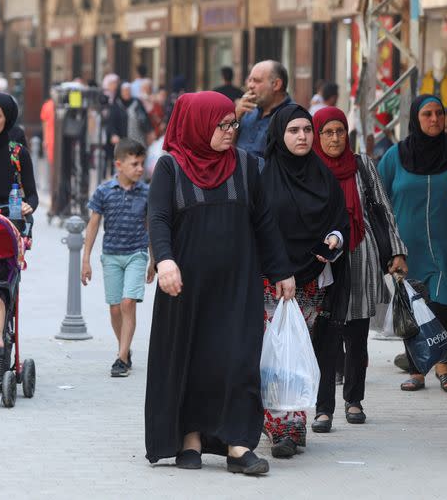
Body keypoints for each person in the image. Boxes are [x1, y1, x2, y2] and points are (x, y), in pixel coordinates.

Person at [145, 91, 295, 474]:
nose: (231, 131)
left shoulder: (246, 165)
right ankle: (190, 438)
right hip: (186, 286)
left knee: (239, 359)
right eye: (222, 125)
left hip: (238, 284)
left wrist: (281, 270)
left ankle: (239, 445)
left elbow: (263, 221)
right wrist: (165, 261)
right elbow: (159, 218)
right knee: (194, 361)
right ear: (197, 125)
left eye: (233, 124)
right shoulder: (170, 167)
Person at [261, 104, 349, 457]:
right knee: (274, 352)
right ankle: (278, 426)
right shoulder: (264, 177)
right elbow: (261, 230)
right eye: (294, 130)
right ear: (280, 136)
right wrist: (280, 271)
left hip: (311, 280)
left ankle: (295, 425)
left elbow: (339, 219)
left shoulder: (322, 176)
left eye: (306, 130)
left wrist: (334, 239)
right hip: (271, 280)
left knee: (299, 351)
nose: (302, 136)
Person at [312, 106, 407, 431]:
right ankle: (323, 408)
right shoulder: (309, 168)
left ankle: (354, 400)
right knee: (325, 336)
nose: (335, 138)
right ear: (318, 135)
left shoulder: (363, 165)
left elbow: (383, 208)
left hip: (362, 258)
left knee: (356, 337)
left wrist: (396, 250)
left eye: (340, 132)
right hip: (324, 263)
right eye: (328, 132)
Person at [378, 95, 447, 391]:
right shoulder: (395, 156)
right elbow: (380, 200)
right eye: (427, 114)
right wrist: (389, 246)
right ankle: (417, 369)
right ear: (415, 118)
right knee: (412, 306)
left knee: (446, 303)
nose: (434, 119)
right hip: (408, 248)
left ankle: (444, 364)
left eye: (439, 113)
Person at [82, 140, 154, 377]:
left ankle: (121, 359)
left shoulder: (147, 192)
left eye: (142, 163)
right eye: (135, 164)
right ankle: (125, 347)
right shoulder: (104, 191)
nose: (140, 169)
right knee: (114, 309)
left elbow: (151, 226)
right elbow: (93, 225)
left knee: (127, 303)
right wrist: (86, 259)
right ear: (119, 165)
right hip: (111, 255)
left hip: (137, 253)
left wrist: (154, 259)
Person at [235, 60, 292, 161]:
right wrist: (236, 117)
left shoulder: (293, 116)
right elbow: (226, 149)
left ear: (276, 84)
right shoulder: (246, 110)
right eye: (250, 80)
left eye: (256, 81)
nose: (250, 86)